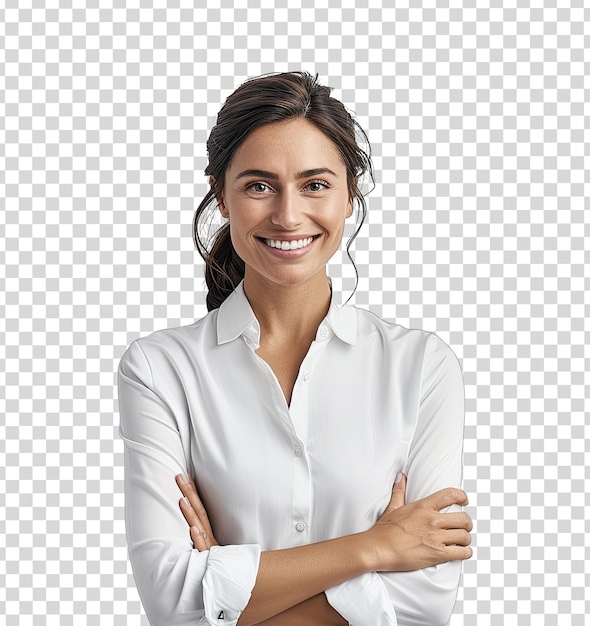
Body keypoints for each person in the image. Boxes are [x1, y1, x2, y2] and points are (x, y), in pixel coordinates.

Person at [118, 71, 473, 626]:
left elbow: (424, 602)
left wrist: (230, 588)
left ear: (349, 196)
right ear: (221, 194)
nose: (287, 215)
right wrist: (375, 548)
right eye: (259, 185)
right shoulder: (160, 369)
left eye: (315, 184)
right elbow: (170, 599)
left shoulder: (422, 367)